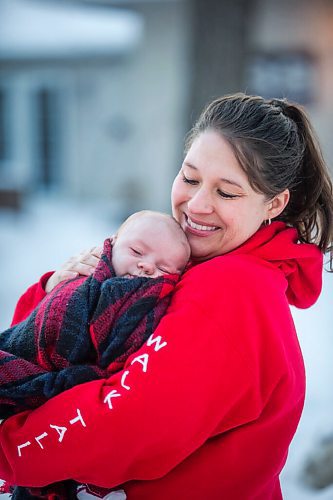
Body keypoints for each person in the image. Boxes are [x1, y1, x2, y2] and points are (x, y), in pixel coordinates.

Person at [0, 93, 332, 500]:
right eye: (190, 178)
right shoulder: (180, 262)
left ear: (274, 204)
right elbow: (61, 344)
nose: (196, 204)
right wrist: (58, 289)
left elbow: (130, 420)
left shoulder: (234, 287)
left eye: (226, 193)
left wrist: (10, 446)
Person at [0, 209, 190, 417]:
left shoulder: (150, 304)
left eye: (163, 268)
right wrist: (50, 286)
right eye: (136, 251)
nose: (146, 266)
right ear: (112, 244)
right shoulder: (82, 275)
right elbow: (28, 325)